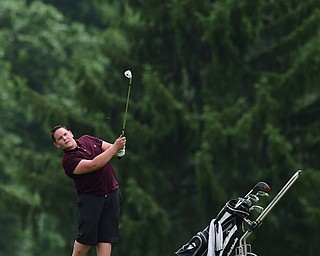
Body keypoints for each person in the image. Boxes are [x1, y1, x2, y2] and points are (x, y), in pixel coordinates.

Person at [50, 124, 126, 256]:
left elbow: (108, 148)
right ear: (57, 145)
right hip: (91, 199)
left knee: (106, 238)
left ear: (71, 133)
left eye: (65, 134)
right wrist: (115, 147)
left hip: (112, 193)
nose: (65, 138)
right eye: (60, 138)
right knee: (85, 239)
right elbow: (94, 164)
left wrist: (119, 148)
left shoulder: (87, 139)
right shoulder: (68, 161)